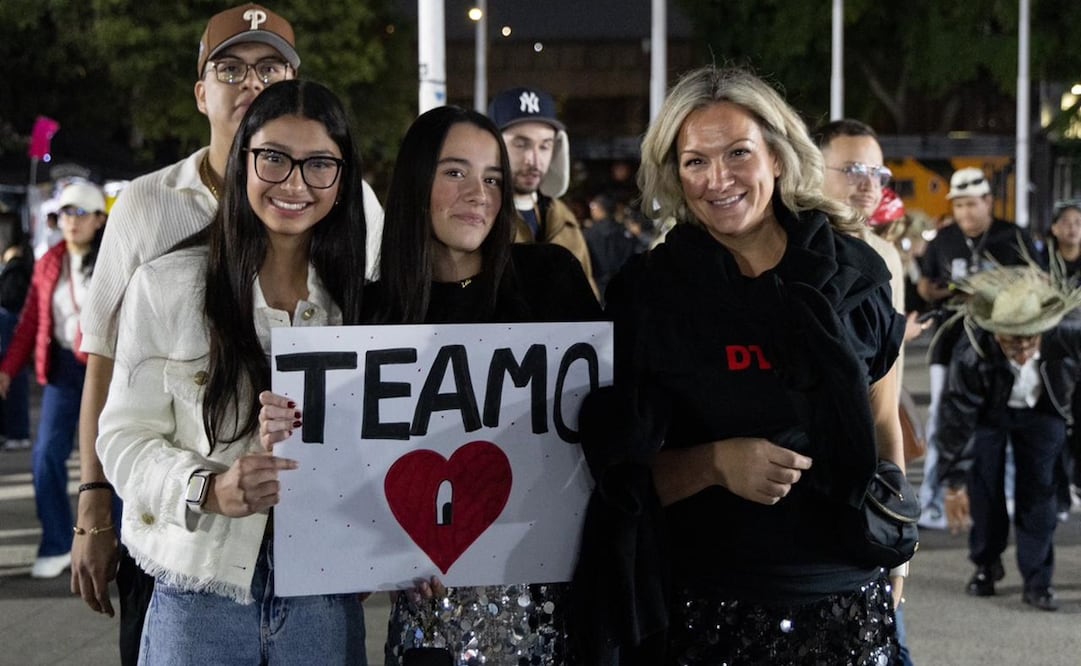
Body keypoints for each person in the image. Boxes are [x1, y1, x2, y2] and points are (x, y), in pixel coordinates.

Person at [72, 5, 382, 664]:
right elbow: (118, 416)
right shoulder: (166, 271)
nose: (295, 183)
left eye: (320, 166)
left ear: (343, 176)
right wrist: (204, 489)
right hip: (200, 587)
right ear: (244, 161)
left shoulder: (359, 289)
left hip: (325, 591)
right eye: (272, 159)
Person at [571, 66, 906, 665]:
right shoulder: (648, 295)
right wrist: (714, 464)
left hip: (849, 605)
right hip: (708, 609)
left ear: (777, 157)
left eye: (738, 153)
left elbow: (883, 425)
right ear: (674, 172)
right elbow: (618, 481)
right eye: (695, 161)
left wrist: (896, 545)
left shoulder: (857, 273)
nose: (717, 179)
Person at [259, 105, 600, 665]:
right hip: (431, 628)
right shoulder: (369, 315)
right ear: (418, 184)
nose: (479, 193)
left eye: (493, 177)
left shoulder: (551, 279)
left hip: (556, 619)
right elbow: (349, 491)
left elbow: (603, 430)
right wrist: (291, 426)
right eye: (456, 172)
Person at [816, 117, 916, 666]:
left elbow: (885, 407)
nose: (867, 183)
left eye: (875, 171)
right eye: (851, 169)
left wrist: (900, 554)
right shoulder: (781, 249)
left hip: (866, 501)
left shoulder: (886, 259)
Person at [935, 263, 1081, 612]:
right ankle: (986, 564)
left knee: (1039, 494)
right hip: (989, 415)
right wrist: (953, 482)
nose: (1022, 351)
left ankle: (1037, 580)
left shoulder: (1069, 339)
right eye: (1011, 342)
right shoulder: (971, 354)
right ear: (996, 333)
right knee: (983, 488)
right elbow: (957, 419)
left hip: (1045, 411)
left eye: (1030, 340)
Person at [916, 166, 1033, 531]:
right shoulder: (944, 239)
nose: (965, 213)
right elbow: (924, 285)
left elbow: (1037, 282)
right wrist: (944, 291)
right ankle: (933, 497)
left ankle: (1009, 495)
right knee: (941, 419)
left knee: (1005, 422)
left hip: (1002, 347)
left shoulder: (1013, 236)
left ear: (988, 201)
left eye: (971, 204)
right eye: (959, 205)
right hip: (950, 343)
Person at [0, 181, 106, 578]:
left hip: (107, 369)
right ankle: (58, 541)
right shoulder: (49, 262)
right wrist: (8, 369)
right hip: (61, 369)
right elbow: (29, 322)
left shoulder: (115, 258)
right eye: (64, 213)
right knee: (46, 456)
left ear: (99, 218)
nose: (71, 221)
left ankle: (116, 540)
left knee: (110, 457)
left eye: (80, 213)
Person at [488, 86, 599, 298]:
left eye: (545, 146)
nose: (535, 160)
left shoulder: (563, 218)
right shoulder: (477, 217)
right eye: (521, 144)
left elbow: (589, 297)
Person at [0, 218, 33, 451]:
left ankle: (17, 432)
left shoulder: (16, 269)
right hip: (12, 333)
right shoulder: (20, 267)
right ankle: (14, 431)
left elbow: (11, 300)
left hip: (11, 333)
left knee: (13, 382)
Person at [584, 193, 635, 301]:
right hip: (623, 284)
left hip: (598, 285)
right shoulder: (624, 231)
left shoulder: (588, 233)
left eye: (593, 206)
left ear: (600, 208)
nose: (591, 210)